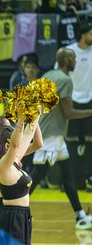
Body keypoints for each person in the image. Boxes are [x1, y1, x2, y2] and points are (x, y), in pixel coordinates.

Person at [31, 48, 92, 229]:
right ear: (66, 60)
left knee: (67, 176)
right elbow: (68, 113)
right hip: (51, 134)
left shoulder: (48, 75)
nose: (75, 61)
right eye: (73, 58)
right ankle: (10, 209)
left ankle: (80, 216)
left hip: (48, 131)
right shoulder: (65, 80)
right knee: (37, 175)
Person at [0, 113, 42, 245]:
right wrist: (21, 118)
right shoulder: (2, 166)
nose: (20, 144)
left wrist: (35, 111)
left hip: (23, 215)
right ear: (7, 145)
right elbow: (15, 144)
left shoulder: (14, 160)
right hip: (11, 217)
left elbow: (29, 133)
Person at [63, 22, 92, 189]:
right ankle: (71, 179)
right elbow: (60, 73)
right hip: (71, 100)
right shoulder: (69, 51)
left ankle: (89, 177)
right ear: (83, 35)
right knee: (71, 140)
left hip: (90, 100)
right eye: (91, 34)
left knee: (90, 140)